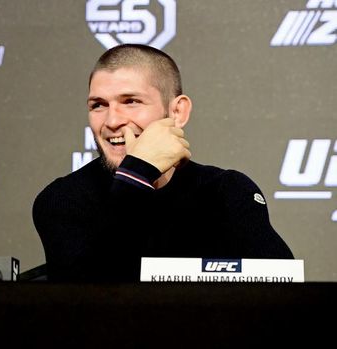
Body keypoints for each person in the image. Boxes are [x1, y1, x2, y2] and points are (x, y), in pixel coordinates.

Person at [32, 44, 293, 282]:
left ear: (177, 112)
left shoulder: (227, 192)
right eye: (98, 105)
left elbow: (284, 294)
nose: (111, 121)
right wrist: (136, 174)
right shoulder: (63, 200)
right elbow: (85, 303)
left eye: (131, 101)